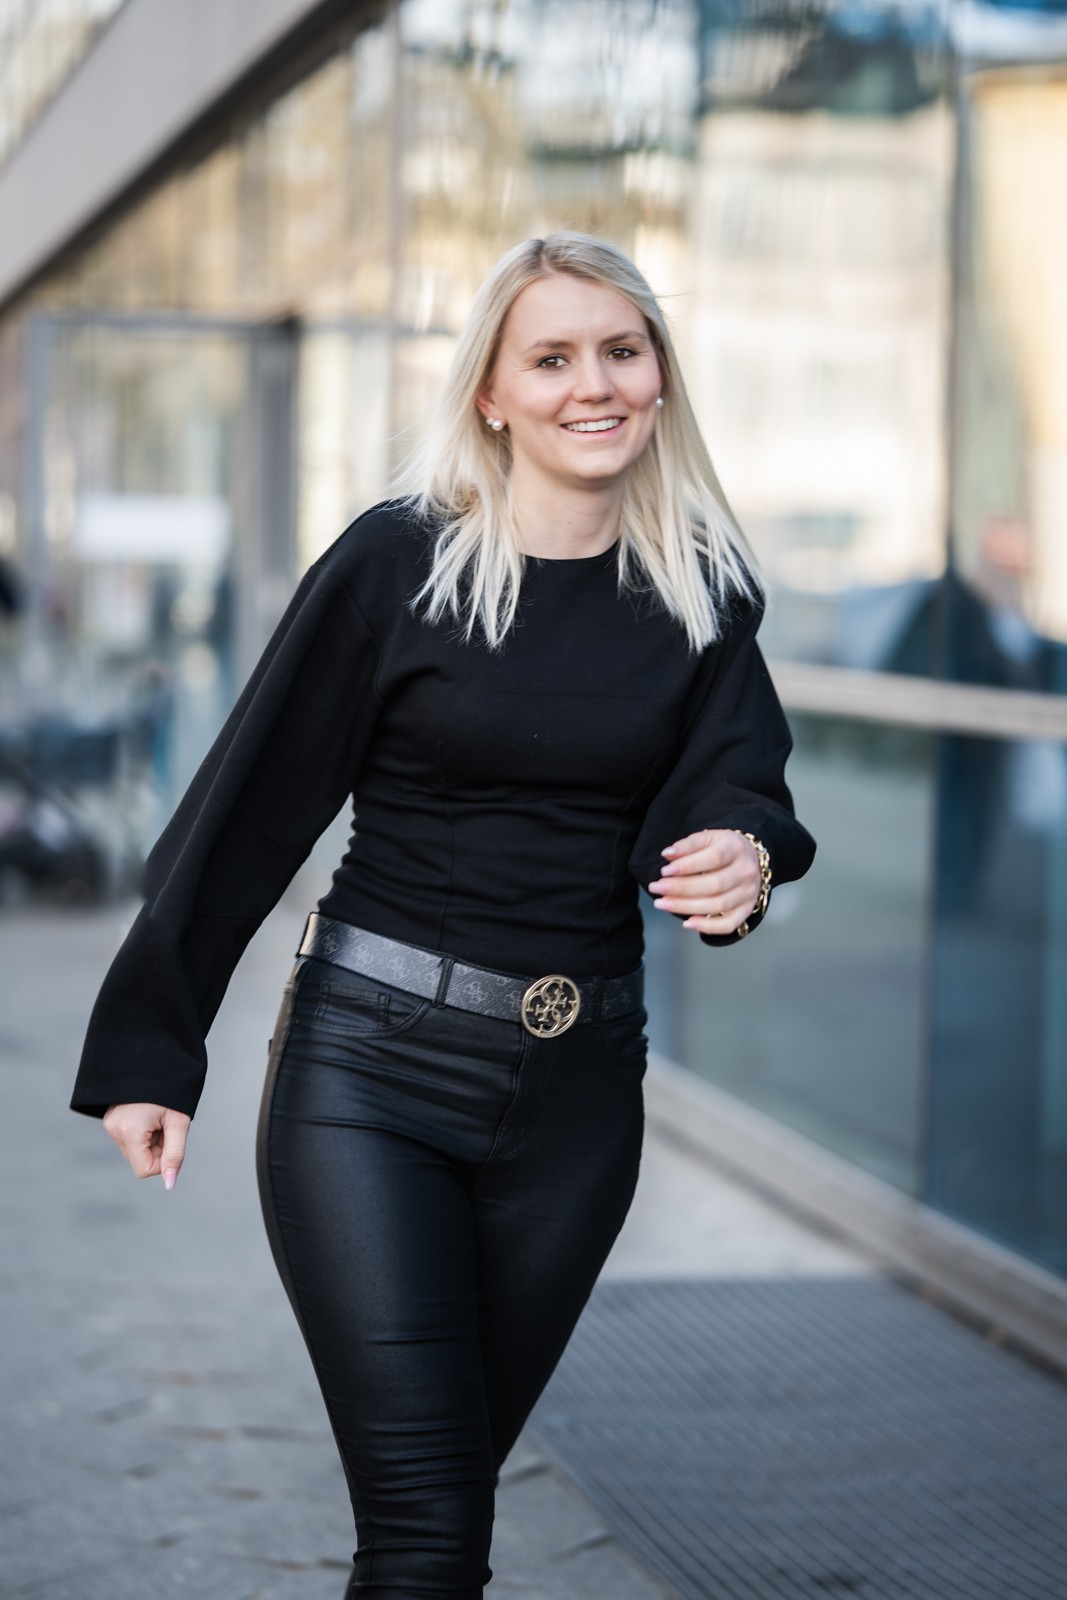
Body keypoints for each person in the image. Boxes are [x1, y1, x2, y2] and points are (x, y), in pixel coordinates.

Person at [71, 231, 816, 1599]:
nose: (593, 385)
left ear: (659, 375)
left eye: (622, 350)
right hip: (372, 1077)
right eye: (552, 358)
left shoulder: (702, 585)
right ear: (492, 392)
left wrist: (743, 859)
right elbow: (248, 806)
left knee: (445, 1508)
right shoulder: (399, 563)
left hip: (579, 1104)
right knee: (428, 1536)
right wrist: (147, 1048)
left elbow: (737, 786)